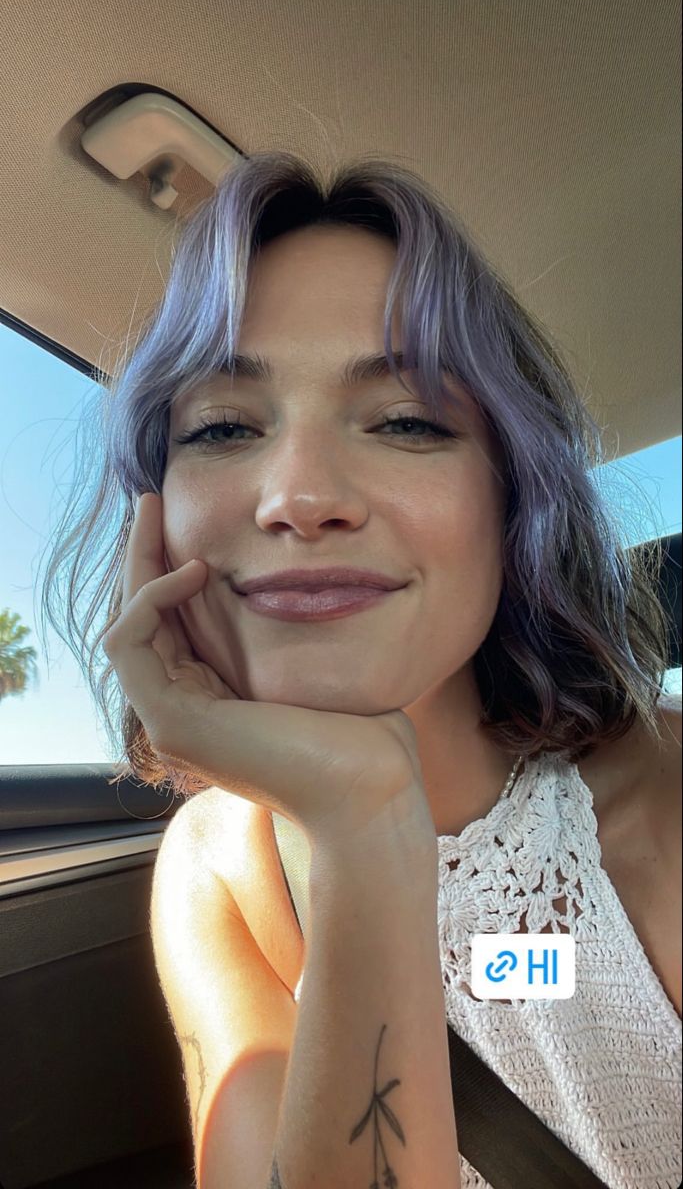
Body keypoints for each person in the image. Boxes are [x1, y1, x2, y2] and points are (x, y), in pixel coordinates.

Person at [39, 152, 681, 1189]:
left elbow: (528, 978)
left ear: (512, 502)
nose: (298, 494)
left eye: (404, 422)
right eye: (222, 428)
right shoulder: (217, 868)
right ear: (154, 520)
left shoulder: (663, 791)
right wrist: (360, 818)